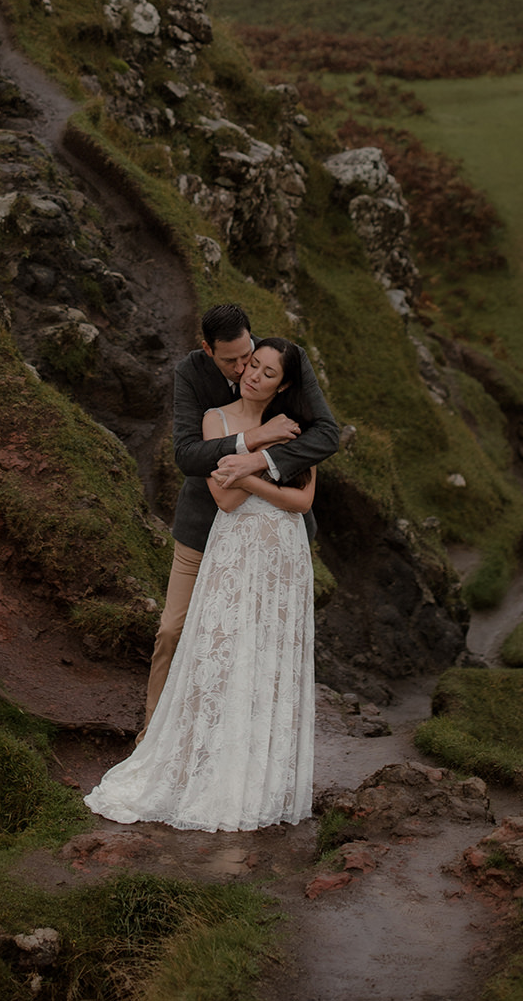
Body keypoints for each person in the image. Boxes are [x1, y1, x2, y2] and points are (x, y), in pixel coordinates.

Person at [83, 337, 316, 831]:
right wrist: (259, 450)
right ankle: (187, 753)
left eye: (268, 372)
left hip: (284, 557)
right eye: (252, 365)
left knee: (267, 656)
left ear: (284, 384)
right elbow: (224, 500)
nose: (253, 375)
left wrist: (245, 469)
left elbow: (302, 502)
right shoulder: (217, 420)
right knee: (218, 648)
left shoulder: (295, 426)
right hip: (234, 548)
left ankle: (260, 772)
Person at [142, 301, 339, 729]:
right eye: (230, 361)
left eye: (246, 355)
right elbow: (187, 455)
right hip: (205, 524)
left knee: (256, 643)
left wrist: (259, 462)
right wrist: (252, 439)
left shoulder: (280, 360)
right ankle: (152, 735)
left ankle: (238, 740)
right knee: (174, 630)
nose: (242, 369)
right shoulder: (191, 374)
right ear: (207, 349)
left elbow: (325, 434)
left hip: (273, 536)